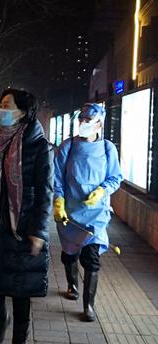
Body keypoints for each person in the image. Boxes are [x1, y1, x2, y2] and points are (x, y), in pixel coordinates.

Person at [0, 88, 53, 344]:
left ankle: (19, 342)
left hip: (22, 226)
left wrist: (39, 231)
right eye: (1, 105)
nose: (2, 110)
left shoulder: (38, 146)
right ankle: (0, 317)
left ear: (22, 112)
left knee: (20, 289)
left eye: (7, 105)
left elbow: (45, 192)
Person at [53, 103, 122, 321]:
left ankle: (88, 306)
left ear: (99, 123)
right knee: (69, 253)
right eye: (81, 119)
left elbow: (115, 177)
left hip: (96, 215)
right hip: (70, 213)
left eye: (88, 120)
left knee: (91, 257)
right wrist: (58, 202)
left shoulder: (107, 149)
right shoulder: (67, 147)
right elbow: (57, 179)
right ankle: (72, 284)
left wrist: (102, 191)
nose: (83, 123)